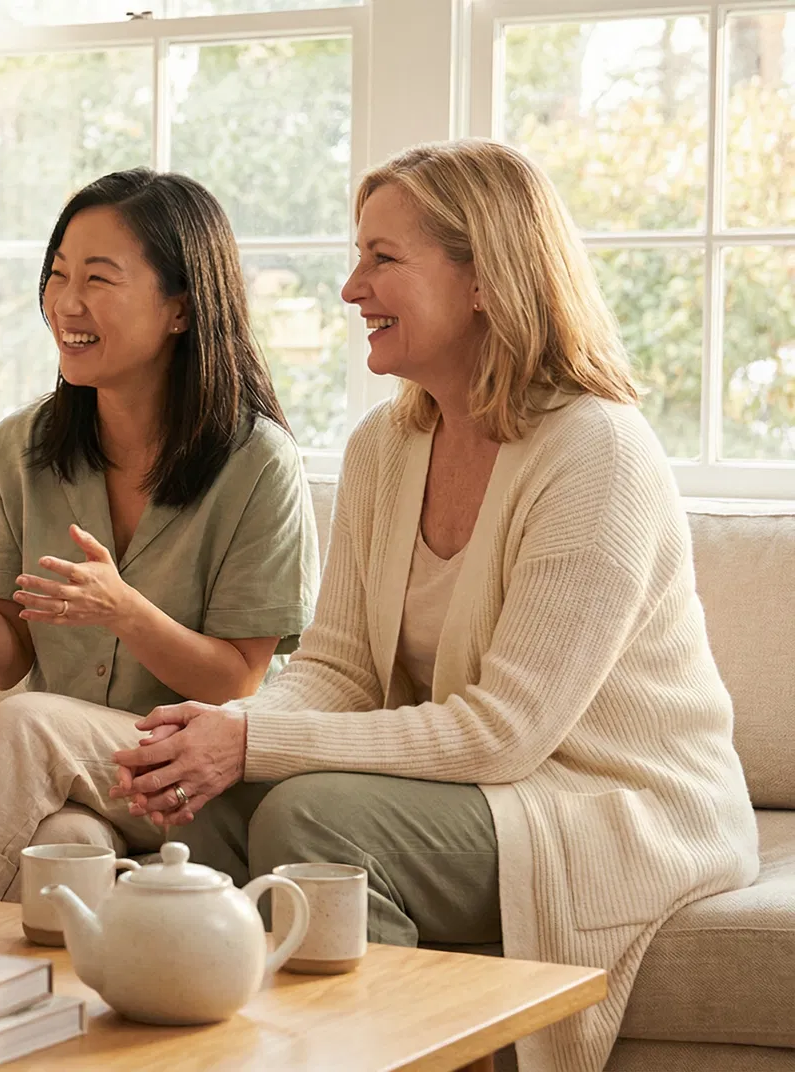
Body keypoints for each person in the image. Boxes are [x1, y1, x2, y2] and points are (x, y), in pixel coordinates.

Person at [111, 140, 758, 1072]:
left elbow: (506, 733)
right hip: (486, 788)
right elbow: (334, 670)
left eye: (383, 258)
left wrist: (254, 743)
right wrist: (223, 731)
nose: (349, 287)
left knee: (312, 820)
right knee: (199, 808)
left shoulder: (597, 454)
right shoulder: (386, 444)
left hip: (611, 803)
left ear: (486, 278)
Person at [0, 169, 320, 906]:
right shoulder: (22, 447)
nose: (66, 302)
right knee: (67, 848)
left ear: (181, 309)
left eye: (99, 279)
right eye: (58, 274)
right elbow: (6, 661)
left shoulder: (258, 464)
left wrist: (125, 611)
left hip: (195, 777)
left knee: (24, 725)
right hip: (85, 783)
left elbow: (239, 681)